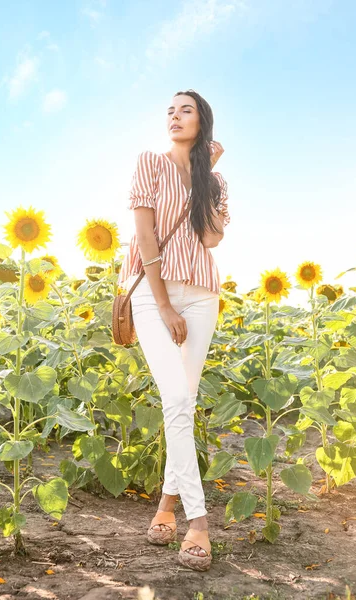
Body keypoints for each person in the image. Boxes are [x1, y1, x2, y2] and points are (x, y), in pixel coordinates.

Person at [117, 89, 230, 571]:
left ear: (202, 122)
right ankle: (199, 523)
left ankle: (166, 505)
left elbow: (209, 237)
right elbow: (145, 234)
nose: (175, 116)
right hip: (149, 292)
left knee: (183, 399)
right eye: (170, 110)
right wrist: (163, 305)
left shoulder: (216, 180)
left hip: (202, 294)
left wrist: (205, 178)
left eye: (186, 110)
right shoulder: (149, 162)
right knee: (177, 400)